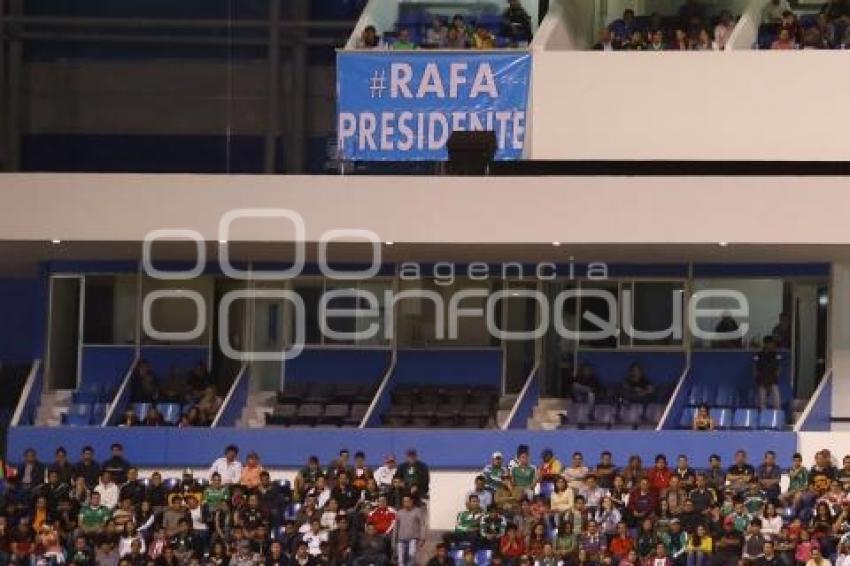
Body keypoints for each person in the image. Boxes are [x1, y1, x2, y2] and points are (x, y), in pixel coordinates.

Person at [395, 495, 427, 566]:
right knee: (401, 560)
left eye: (407, 501)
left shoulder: (417, 511)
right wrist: (394, 540)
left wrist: (422, 538)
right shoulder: (399, 512)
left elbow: (422, 525)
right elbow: (396, 527)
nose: (406, 503)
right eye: (404, 501)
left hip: (413, 539)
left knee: (411, 557)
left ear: (412, 501)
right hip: (401, 539)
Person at [753, 336, 783, 410]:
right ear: (766, 344)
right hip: (762, 380)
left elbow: (779, 367)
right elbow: (755, 368)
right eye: (770, 343)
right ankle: (764, 415)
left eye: (773, 344)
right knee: (762, 401)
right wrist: (758, 377)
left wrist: (775, 375)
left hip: (773, 380)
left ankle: (777, 415)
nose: (772, 345)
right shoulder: (758, 355)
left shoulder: (776, 355)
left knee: (776, 400)